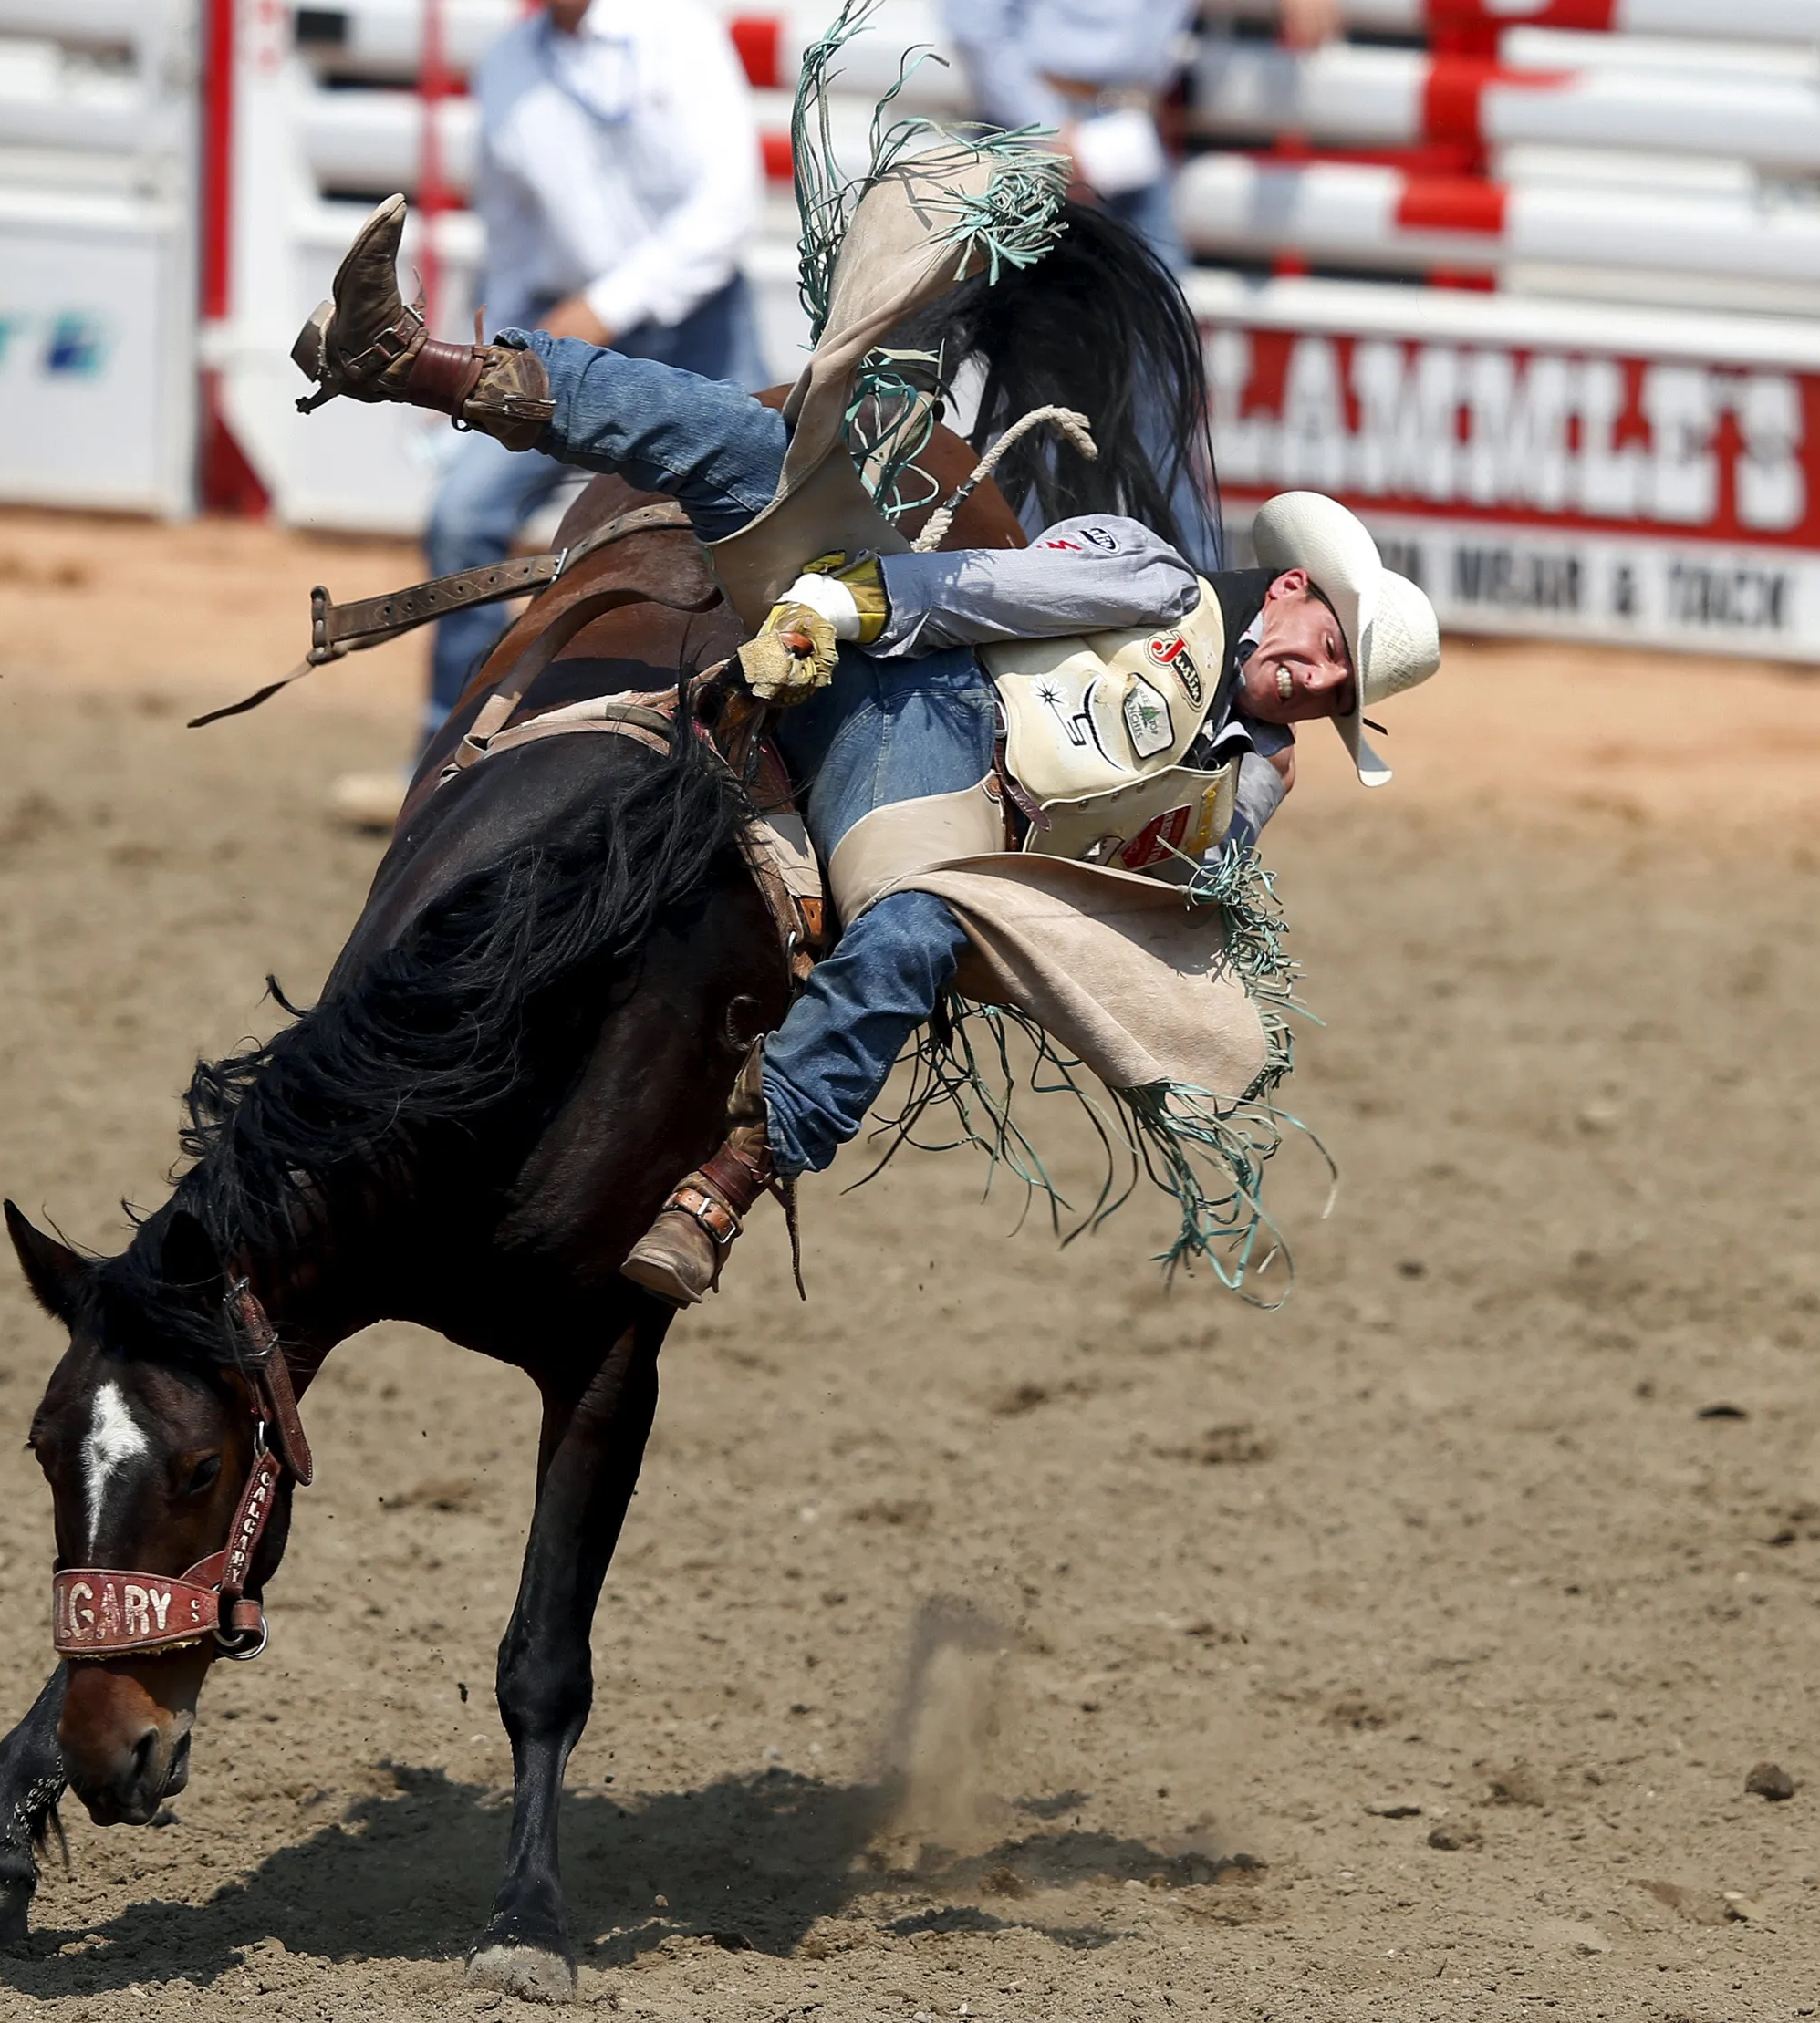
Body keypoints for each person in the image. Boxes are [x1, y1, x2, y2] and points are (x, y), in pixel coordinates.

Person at [292, 176, 1439, 1303]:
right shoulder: (1154, 577)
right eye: (1328, 645)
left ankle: (739, 1171)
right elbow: (998, 589)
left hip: (953, 794)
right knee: (745, 449)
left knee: (929, 916)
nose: (1316, 679)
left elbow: (1170, 904)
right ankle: (415, 362)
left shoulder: (1252, 780)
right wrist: (851, 605)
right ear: (1289, 588)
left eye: (1340, 692)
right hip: (922, 676)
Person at [327, 0, 764, 828]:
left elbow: (724, 210)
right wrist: (477, 351)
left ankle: (751, 764)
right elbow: (513, 232)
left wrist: (600, 308)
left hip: (685, 323)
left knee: (758, 533)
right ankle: (441, 761)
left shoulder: (677, 32)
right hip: (565, 324)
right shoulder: (509, 65)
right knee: (463, 516)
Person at [940, 0, 1344, 275]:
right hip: (1037, 122)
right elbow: (973, 25)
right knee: (1026, 329)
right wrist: (1046, 129)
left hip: (1128, 128)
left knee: (1154, 327)